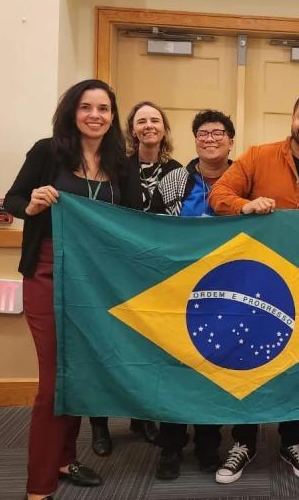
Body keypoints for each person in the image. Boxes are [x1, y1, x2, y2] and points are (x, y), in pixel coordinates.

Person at [209, 90, 299, 484]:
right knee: (247, 362)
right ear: (293, 118)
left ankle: (291, 440)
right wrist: (244, 206)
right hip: (254, 283)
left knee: (295, 364)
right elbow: (219, 194)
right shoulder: (257, 155)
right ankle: (243, 441)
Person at [4, 79, 126, 500]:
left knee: (79, 372)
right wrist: (31, 203)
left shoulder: (119, 163)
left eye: (104, 109)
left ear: (112, 117)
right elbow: (12, 199)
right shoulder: (47, 151)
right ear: (72, 112)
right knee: (54, 381)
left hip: (94, 280)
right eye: (87, 107)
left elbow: (133, 222)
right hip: (46, 271)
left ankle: (63, 458)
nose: (96, 115)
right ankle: (39, 485)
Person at [89, 100, 181, 456]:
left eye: (155, 120)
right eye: (141, 120)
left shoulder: (177, 171)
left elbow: (175, 221)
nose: (148, 126)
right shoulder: (114, 167)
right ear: (131, 128)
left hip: (156, 273)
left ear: (164, 128)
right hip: (113, 269)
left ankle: (142, 418)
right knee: (106, 344)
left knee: (147, 347)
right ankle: (98, 425)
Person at [151, 109, 237, 480]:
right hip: (178, 291)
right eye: (203, 132)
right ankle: (170, 447)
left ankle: (207, 445)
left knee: (215, 371)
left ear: (231, 140)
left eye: (219, 132)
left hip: (227, 293)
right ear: (195, 139)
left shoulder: (244, 180)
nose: (211, 138)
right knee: (174, 371)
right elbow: (149, 230)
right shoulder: (174, 181)